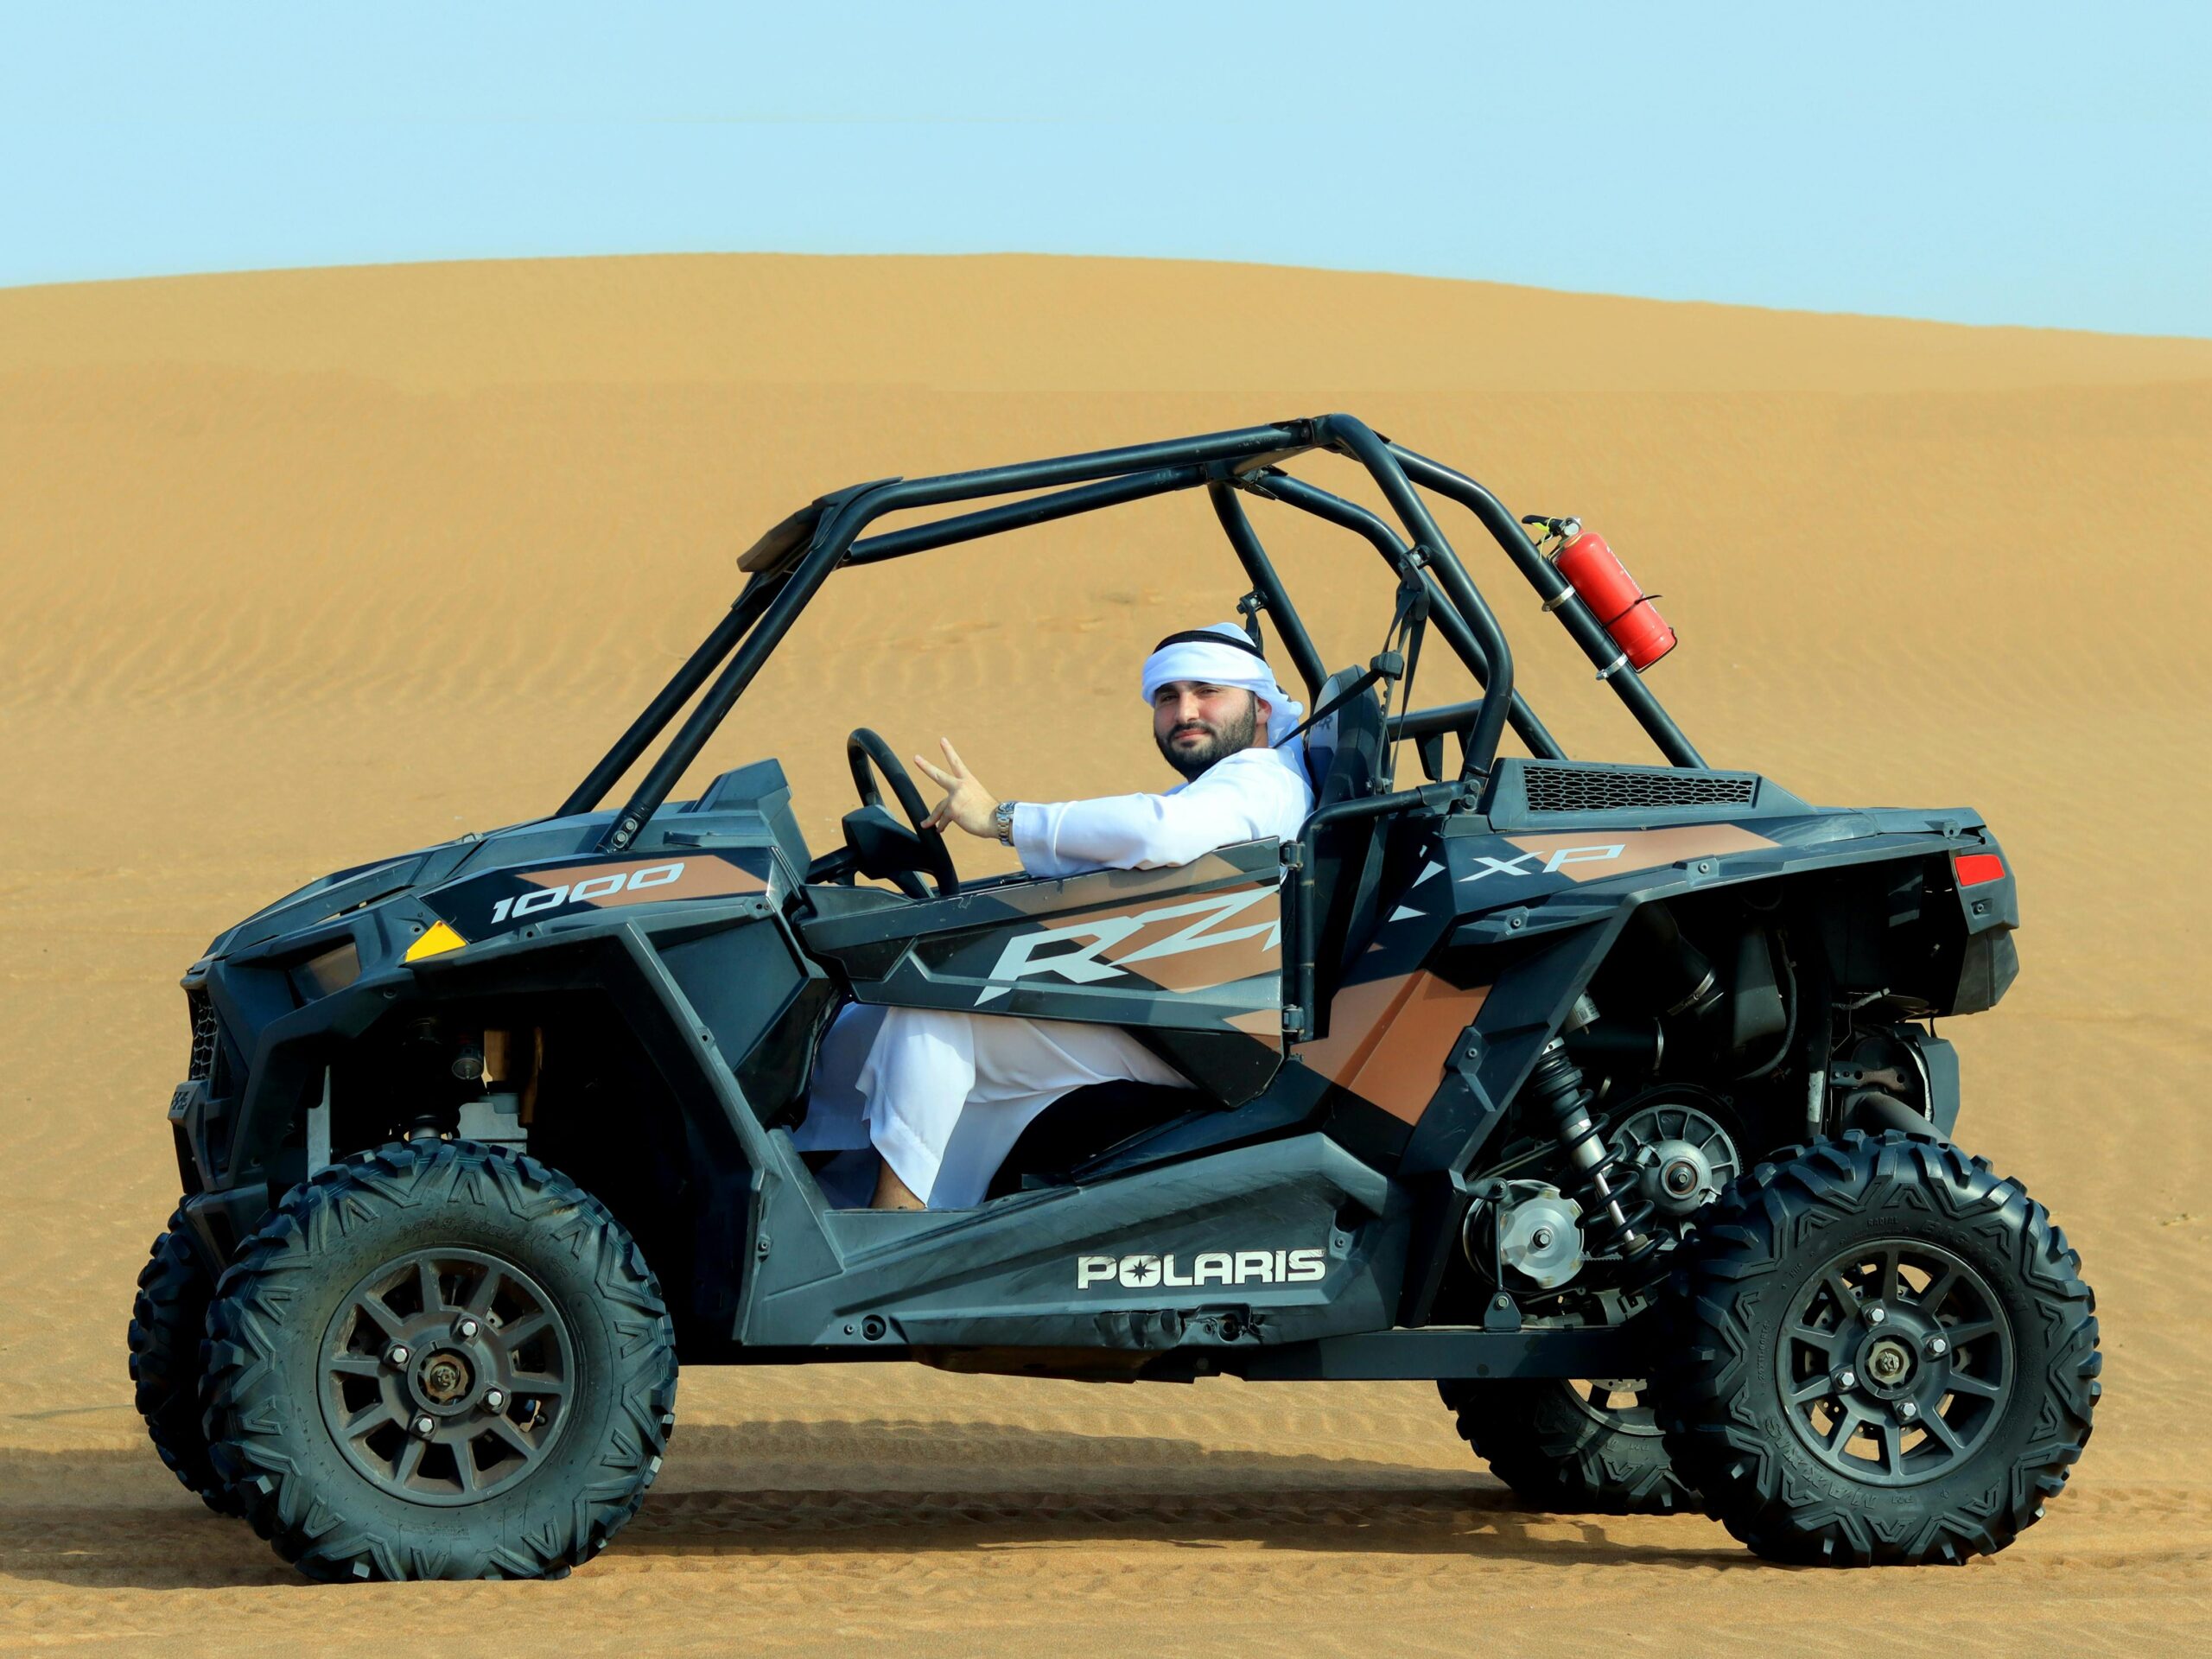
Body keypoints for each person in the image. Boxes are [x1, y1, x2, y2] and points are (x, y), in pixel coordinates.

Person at [794, 622, 1315, 1210]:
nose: (1185, 711)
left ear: (1262, 706)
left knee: (935, 1011)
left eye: (1206, 691)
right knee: (872, 1009)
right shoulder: (1230, 786)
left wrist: (1004, 819)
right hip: (1163, 997)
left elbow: (1157, 833)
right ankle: (813, 1180)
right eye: (1167, 697)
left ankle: (892, 1224)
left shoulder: (1259, 781)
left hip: (1194, 1026)